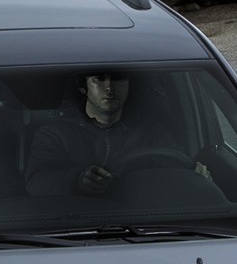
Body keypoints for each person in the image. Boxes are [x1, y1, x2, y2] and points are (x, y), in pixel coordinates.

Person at [24, 72, 175, 196]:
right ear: (84, 87)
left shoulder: (152, 133)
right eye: (99, 79)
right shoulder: (55, 134)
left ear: (129, 85)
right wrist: (77, 180)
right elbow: (36, 183)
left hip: (144, 222)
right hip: (76, 223)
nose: (109, 87)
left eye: (118, 78)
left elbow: (178, 175)